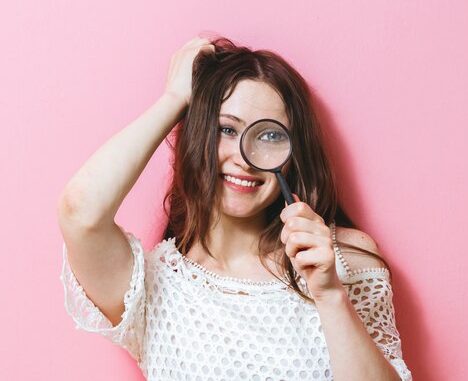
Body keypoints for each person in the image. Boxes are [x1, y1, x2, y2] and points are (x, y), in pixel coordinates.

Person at [58, 36, 412, 381]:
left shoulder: (345, 261)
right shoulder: (154, 286)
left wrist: (330, 294)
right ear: (197, 136)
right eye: (226, 129)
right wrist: (174, 98)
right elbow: (79, 212)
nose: (245, 158)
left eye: (270, 135)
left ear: (293, 154)